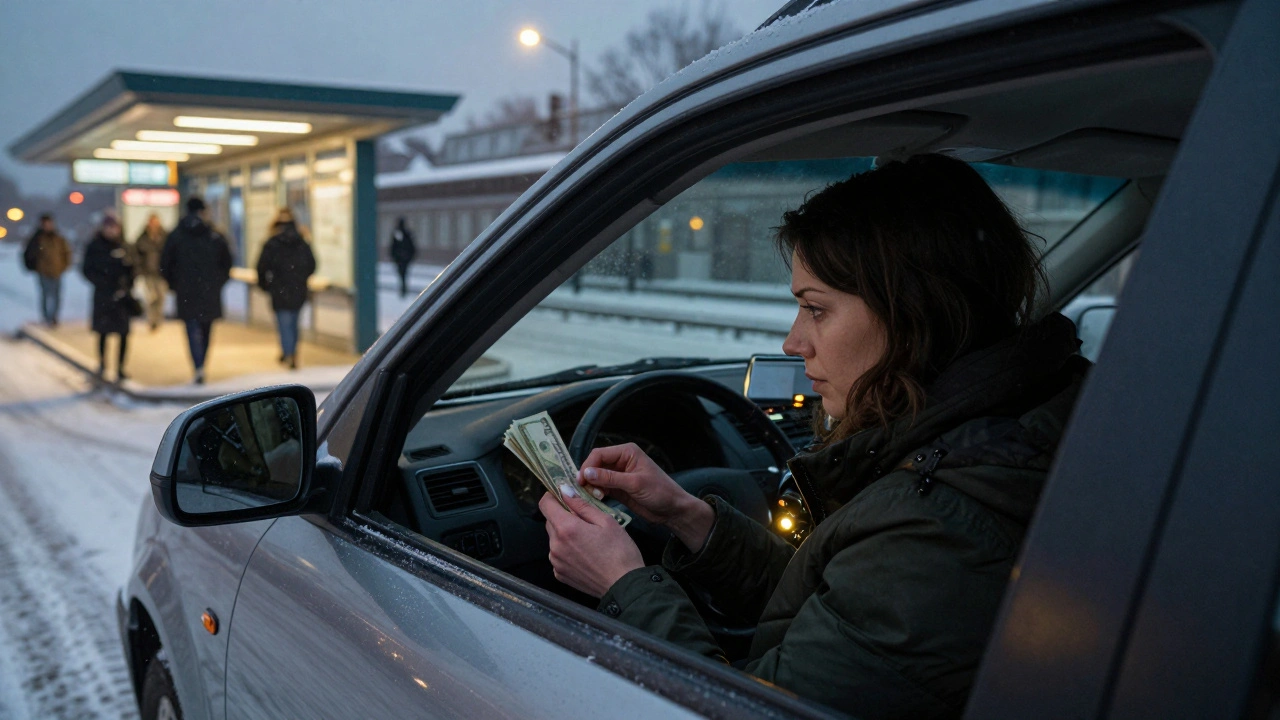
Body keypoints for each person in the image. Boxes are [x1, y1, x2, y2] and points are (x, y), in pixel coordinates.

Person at [540, 154, 1091, 719]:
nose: (792, 341)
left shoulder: (942, 522)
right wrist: (689, 517)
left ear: (911, 314)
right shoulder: (1008, 430)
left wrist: (622, 583)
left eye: (815, 309)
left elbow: (749, 709)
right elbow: (842, 613)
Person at [161, 196, 232, 385]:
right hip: (209, 292)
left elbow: (165, 264)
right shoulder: (214, 235)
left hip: (186, 292)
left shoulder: (177, 234)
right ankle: (202, 364)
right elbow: (227, 263)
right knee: (206, 329)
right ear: (202, 211)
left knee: (192, 329)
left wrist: (175, 285)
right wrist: (217, 283)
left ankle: (198, 365)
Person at [256, 208, 316, 370]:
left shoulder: (272, 243)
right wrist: (301, 277)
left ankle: (288, 352)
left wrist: (266, 285)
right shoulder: (302, 242)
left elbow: (261, 266)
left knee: (284, 322)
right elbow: (312, 265)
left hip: (279, 289)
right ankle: (292, 352)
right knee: (294, 322)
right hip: (298, 288)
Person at [81, 216, 136, 380]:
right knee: (103, 332)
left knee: (123, 333)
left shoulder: (124, 245)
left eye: (114, 227)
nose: (112, 230)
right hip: (103, 296)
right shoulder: (95, 246)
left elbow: (133, 267)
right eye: (109, 227)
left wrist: (127, 284)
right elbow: (87, 269)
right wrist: (101, 282)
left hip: (122, 296)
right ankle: (103, 363)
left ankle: (120, 367)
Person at [22, 213, 72, 327]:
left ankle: (54, 317)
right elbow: (29, 253)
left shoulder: (58, 238)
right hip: (43, 271)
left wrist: (64, 266)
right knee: (45, 295)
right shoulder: (37, 238)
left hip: (57, 270)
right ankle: (46, 317)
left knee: (56, 295)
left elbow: (66, 253)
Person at [133, 213, 169, 330]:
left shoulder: (165, 237)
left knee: (160, 297)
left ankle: (158, 318)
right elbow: (137, 255)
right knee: (150, 297)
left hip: (161, 272)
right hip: (148, 272)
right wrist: (139, 270)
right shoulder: (142, 238)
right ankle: (151, 319)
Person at [389, 217, 416, 298]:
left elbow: (393, 247)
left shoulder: (398, 233)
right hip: (403, 258)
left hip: (401, 258)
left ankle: (403, 289)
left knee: (402, 274)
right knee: (403, 274)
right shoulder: (406, 234)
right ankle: (403, 289)